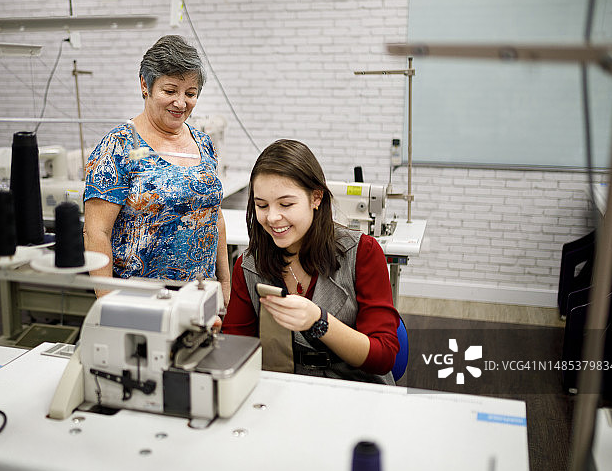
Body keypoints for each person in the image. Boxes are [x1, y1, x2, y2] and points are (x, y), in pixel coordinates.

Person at [222, 139, 400, 384]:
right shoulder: (248, 266)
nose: (272, 217)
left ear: (316, 198)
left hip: (356, 389)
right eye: (261, 205)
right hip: (285, 390)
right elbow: (235, 347)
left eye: (286, 204)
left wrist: (320, 322)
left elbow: (383, 357)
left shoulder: (363, 253)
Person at [83, 35, 230, 304]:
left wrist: (226, 284)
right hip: (140, 299)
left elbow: (215, 217)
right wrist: (107, 300)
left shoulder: (204, 144)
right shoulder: (119, 146)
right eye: (170, 91)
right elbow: (97, 232)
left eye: (190, 93)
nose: (181, 103)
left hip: (200, 296)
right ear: (145, 85)